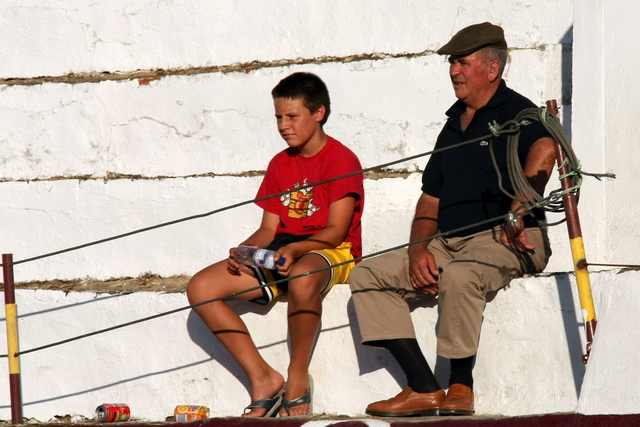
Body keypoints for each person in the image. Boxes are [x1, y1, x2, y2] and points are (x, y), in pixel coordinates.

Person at [349, 22, 555, 417]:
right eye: (452, 63)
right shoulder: (453, 122)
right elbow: (430, 198)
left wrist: (518, 209)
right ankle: (424, 388)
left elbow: (546, 150)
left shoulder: (520, 113)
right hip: (450, 240)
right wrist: (417, 249)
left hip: (508, 237)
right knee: (367, 275)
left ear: (492, 69)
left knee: (461, 274)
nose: (454, 71)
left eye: (463, 62)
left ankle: (461, 385)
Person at [187, 72, 364, 418]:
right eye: (279, 117)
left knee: (301, 274)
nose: (284, 125)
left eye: (292, 116)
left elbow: (336, 230)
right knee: (201, 287)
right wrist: (244, 251)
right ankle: (263, 378)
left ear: (319, 113)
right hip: (283, 251)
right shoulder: (280, 163)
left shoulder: (341, 159)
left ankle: (297, 378)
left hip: (330, 251)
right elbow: (268, 229)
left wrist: (297, 250)